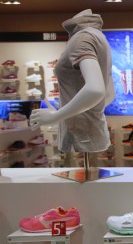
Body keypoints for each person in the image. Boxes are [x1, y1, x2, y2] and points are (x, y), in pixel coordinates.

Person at [30, 9, 115, 154]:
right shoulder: (99, 37)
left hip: (79, 132)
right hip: (93, 130)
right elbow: (109, 94)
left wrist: (57, 115)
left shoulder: (81, 38)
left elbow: (96, 90)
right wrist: (74, 107)